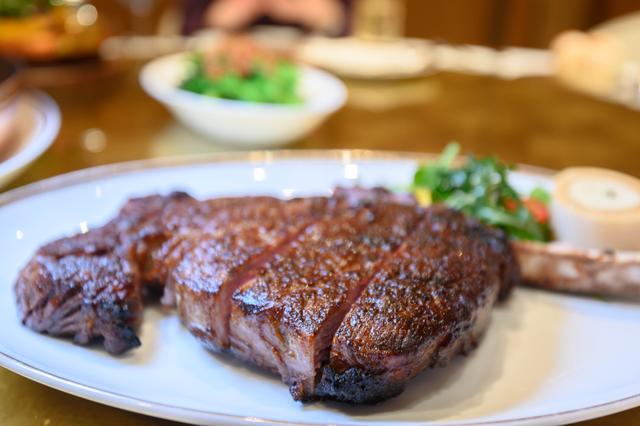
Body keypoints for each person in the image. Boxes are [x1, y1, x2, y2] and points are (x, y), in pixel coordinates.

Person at [183, 0, 350, 36]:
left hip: (317, 67)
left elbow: (347, 27)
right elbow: (186, 29)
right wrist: (215, 17)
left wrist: (330, 16)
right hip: (223, 53)